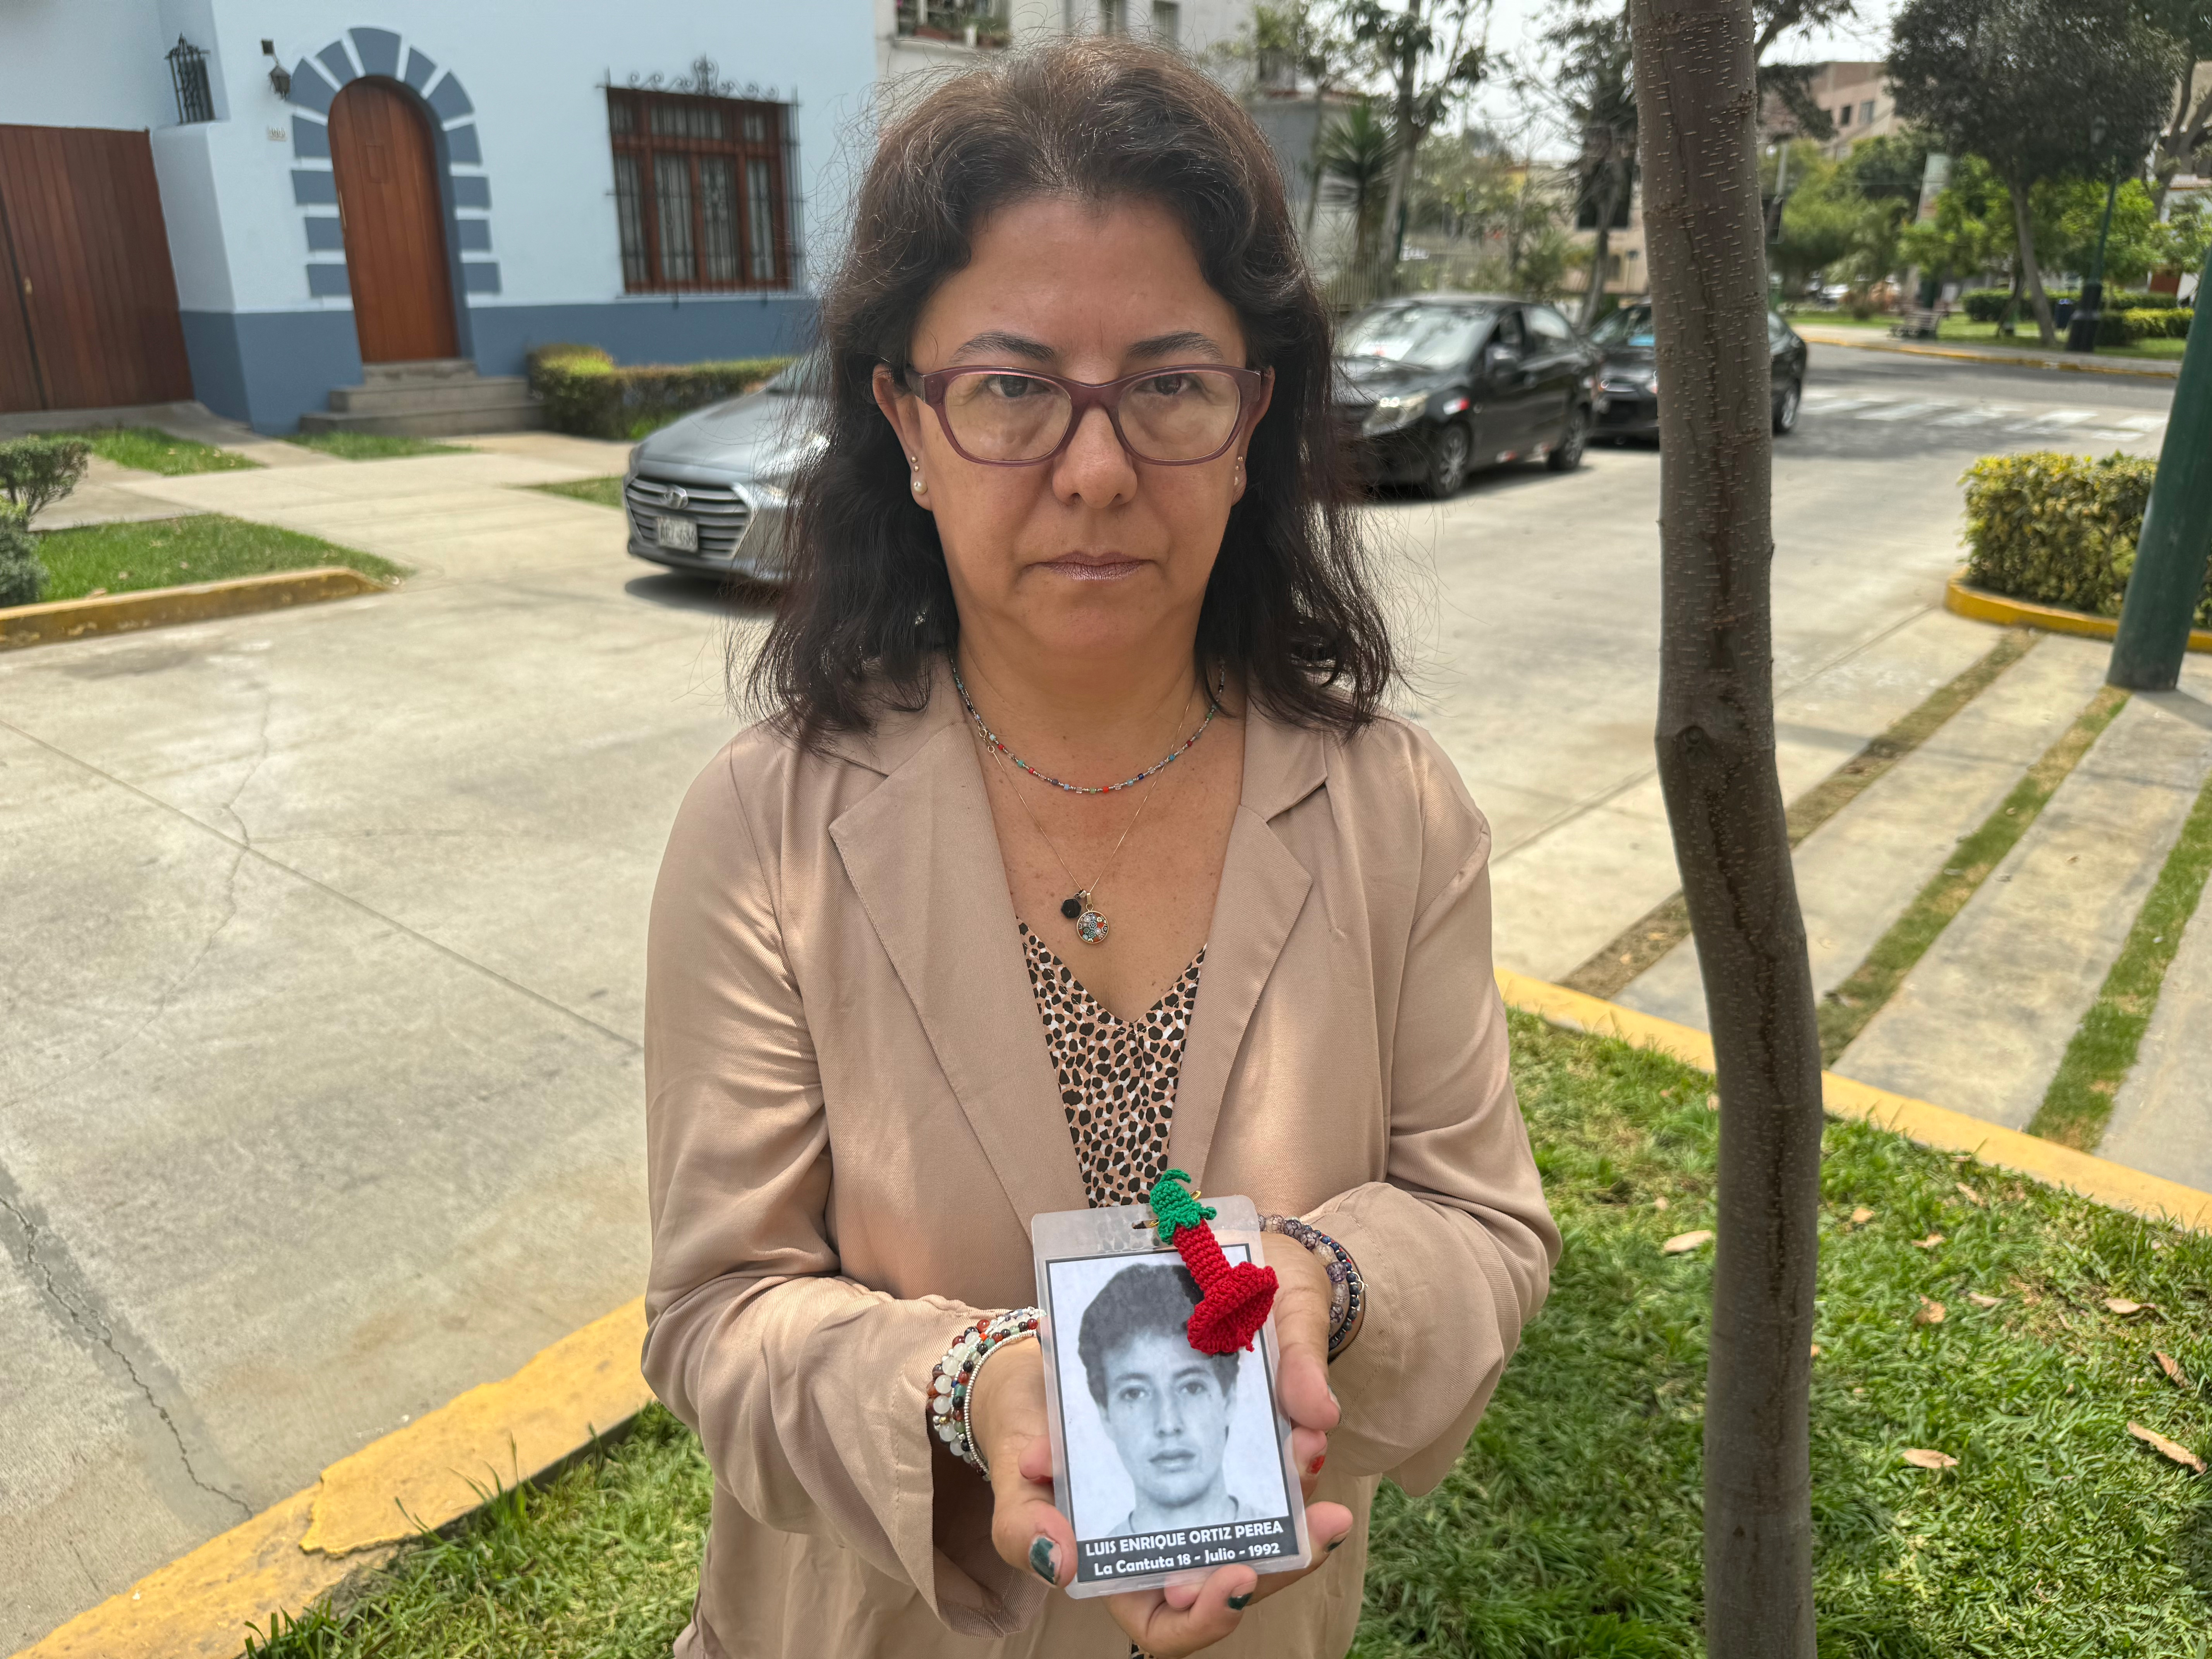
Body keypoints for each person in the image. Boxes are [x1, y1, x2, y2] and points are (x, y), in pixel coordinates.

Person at [641, 35, 1559, 1659]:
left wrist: (1325, 1285)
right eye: (1010, 390)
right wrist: (961, 1383)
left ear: (1253, 413)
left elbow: (1486, 1228)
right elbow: (721, 1314)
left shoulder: (1394, 810)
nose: (1095, 469)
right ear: (906, 425)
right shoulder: (768, 823)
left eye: (1169, 385)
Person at [1077, 1264, 1252, 1537]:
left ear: (1228, 1397)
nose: (1168, 1424)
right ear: (1105, 1414)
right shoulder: (1087, 1570)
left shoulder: (1288, 1537)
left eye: (1192, 1387)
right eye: (1134, 1393)